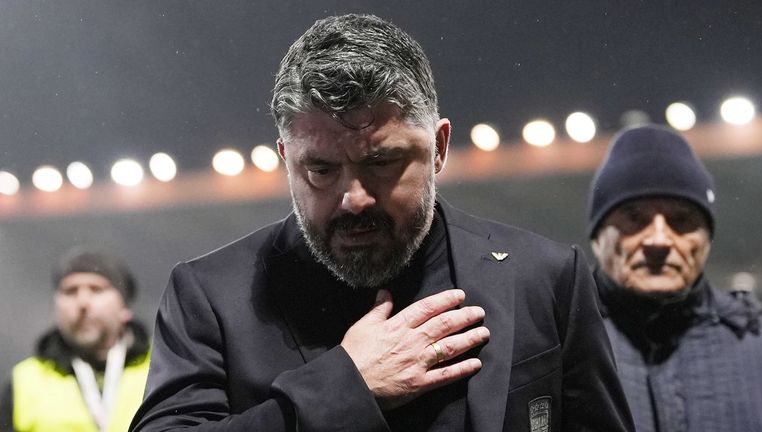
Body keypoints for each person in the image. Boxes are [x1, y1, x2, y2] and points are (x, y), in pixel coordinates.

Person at [131, 14, 633, 431]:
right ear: (286, 159)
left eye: (381, 162)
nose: (354, 198)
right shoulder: (209, 295)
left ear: (438, 147)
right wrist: (346, 387)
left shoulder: (545, 276)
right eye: (321, 170)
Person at [588, 124, 762, 431]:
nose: (659, 240)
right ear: (597, 238)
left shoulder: (758, 345)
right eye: (634, 218)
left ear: (707, 238)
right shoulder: (559, 345)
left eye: (681, 219)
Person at [0, 247, 151, 432]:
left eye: (97, 289)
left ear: (125, 308)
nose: (83, 302)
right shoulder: (23, 382)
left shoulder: (163, 368)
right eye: (70, 291)